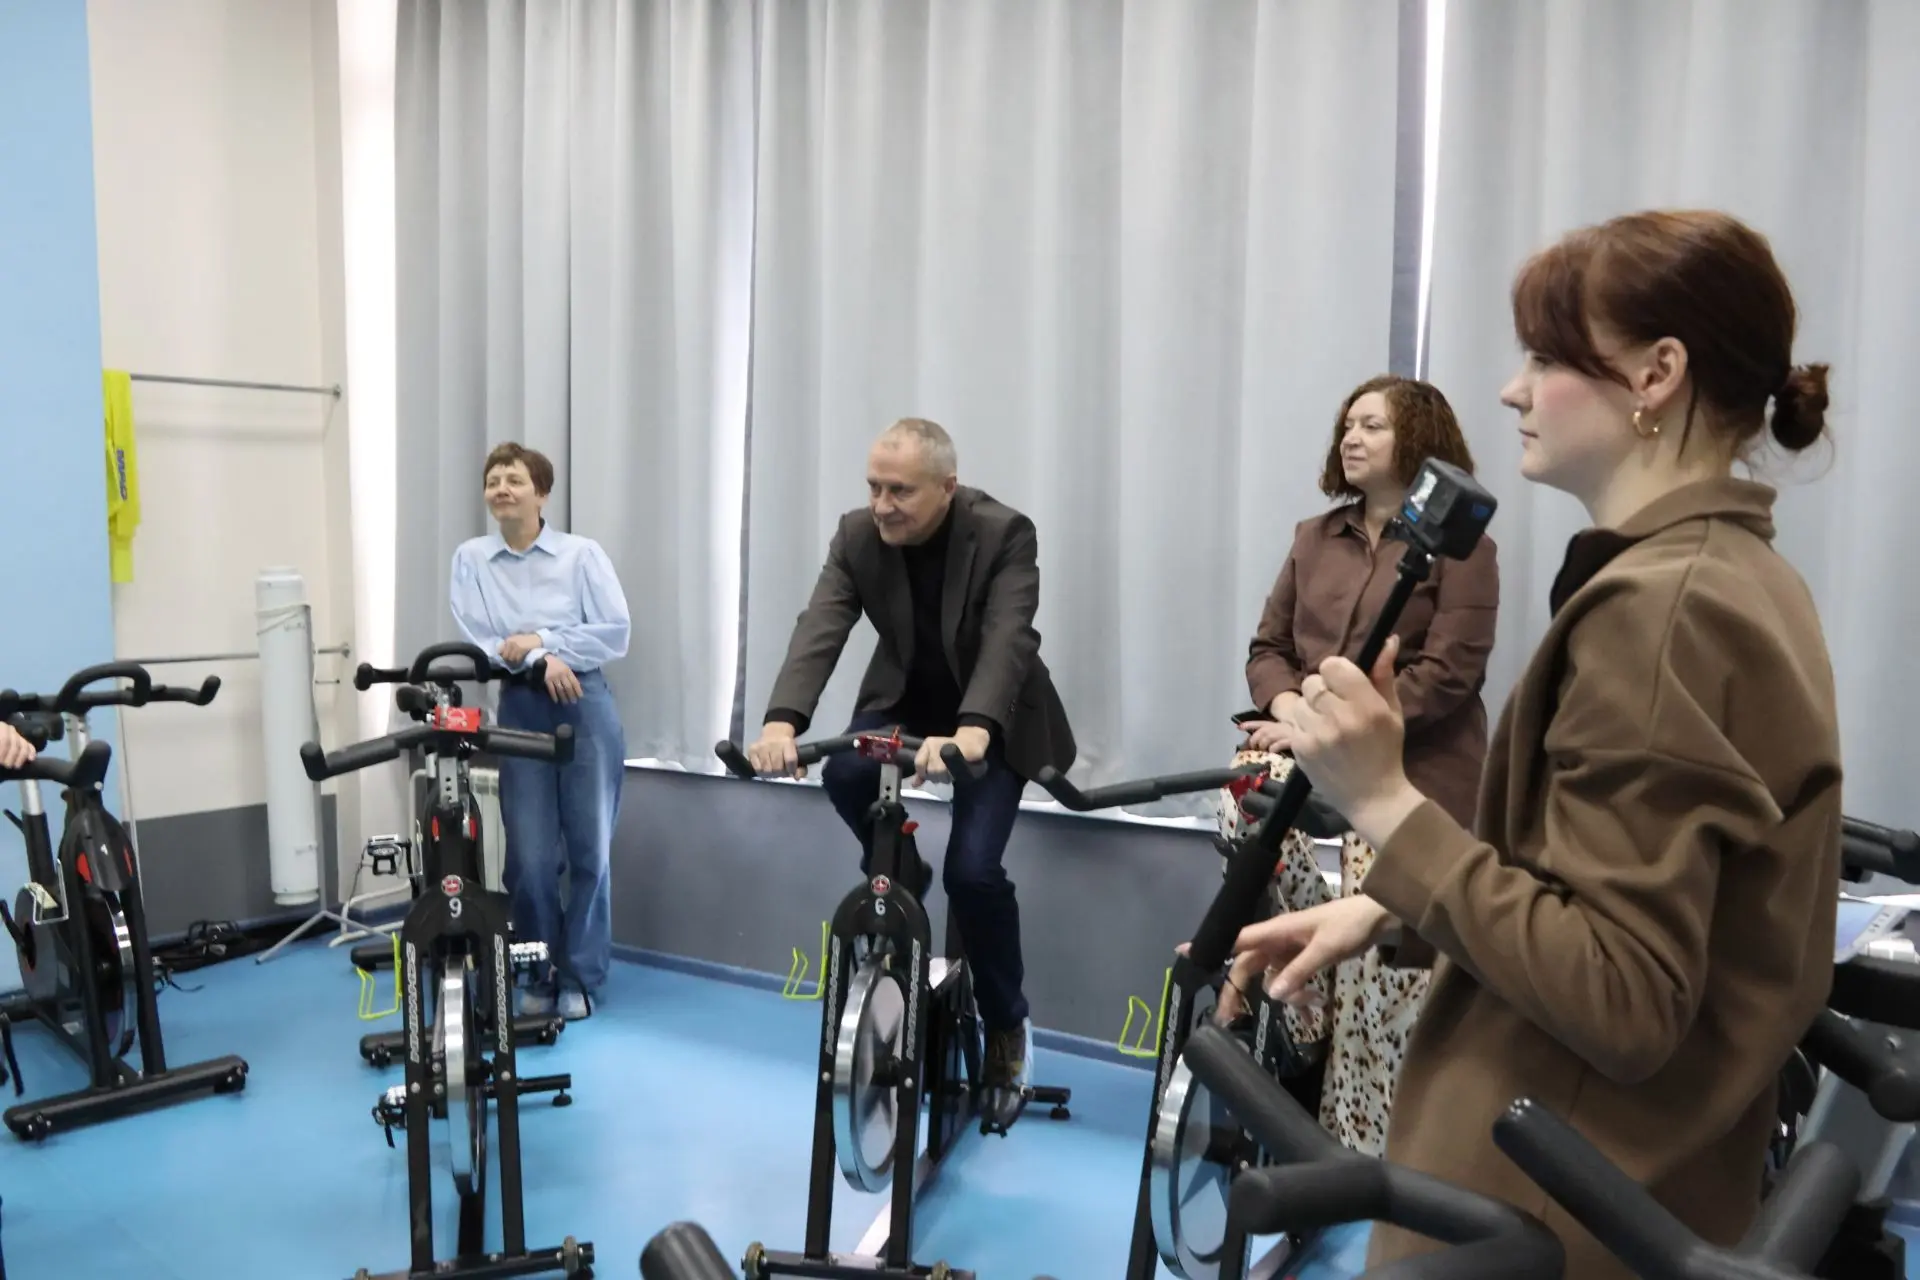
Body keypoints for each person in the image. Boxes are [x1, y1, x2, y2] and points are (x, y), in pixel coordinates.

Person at [1222, 210, 1841, 1279]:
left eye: (1547, 359)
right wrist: (1390, 904)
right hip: (1603, 1173)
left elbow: (1623, 995)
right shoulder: (1733, 573)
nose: (1513, 390)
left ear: (1656, 374)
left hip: (1545, 1203)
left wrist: (1386, 805)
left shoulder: (1666, 612)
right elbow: (1601, 889)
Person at [743, 418, 1076, 1090]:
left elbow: (1009, 637)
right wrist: (781, 723)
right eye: (874, 487)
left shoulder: (1004, 533)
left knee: (973, 874)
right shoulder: (857, 535)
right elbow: (821, 625)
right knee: (846, 772)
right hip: (905, 700)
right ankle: (902, 872)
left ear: (947, 487)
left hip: (995, 714)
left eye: (900, 491)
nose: (882, 504)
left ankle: (1007, 1023)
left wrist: (974, 728)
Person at [1218, 375, 1498, 1157]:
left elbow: (1449, 675)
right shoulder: (1313, 538)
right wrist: (1291, 715)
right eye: (1348, 424)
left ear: (1419, 438)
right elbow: (1268, 650)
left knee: (1381, 975)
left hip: (1411, 770)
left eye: (1372, 425)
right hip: (1305, 751)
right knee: (1243, 803)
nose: (1351, 437)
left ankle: (1366, 1154)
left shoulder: (1465, 552)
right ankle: (1301, 1012)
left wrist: (1330, 728)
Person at [450, 442, 631, 1020]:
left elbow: (615, 632)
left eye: (515, 480)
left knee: (590, 852)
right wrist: (538, 659)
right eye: (493, 480)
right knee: (528, 858)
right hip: (522, 704)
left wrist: (542, 640)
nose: (502, 488)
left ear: (542, 494)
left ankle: (579, 976)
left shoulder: (582, 555)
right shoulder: (472, 560)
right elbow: (482, 640)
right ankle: (536, 967)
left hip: (584, 702)